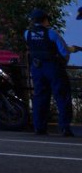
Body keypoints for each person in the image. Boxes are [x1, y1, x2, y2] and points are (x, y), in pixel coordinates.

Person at [26, 8, 74, 136]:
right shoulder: (52, 33)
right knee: (62, 96)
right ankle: (64, 128)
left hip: (37, 69)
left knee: (40, 97)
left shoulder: (27, 34)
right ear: (45, 20)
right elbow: (64, 52)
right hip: (53, 68)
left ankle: (39, 127)